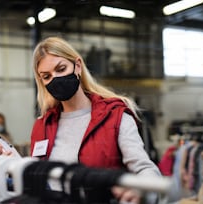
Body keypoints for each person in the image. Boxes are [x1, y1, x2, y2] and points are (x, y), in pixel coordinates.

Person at [30, 36, 161, 203]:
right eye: (46, 76)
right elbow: (38, 178)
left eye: (61, 69)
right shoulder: (42, 125)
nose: (55, 78)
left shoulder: (115, 115)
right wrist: (17, 166)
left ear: (77, 66)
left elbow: (145, 169)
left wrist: (140, 190)